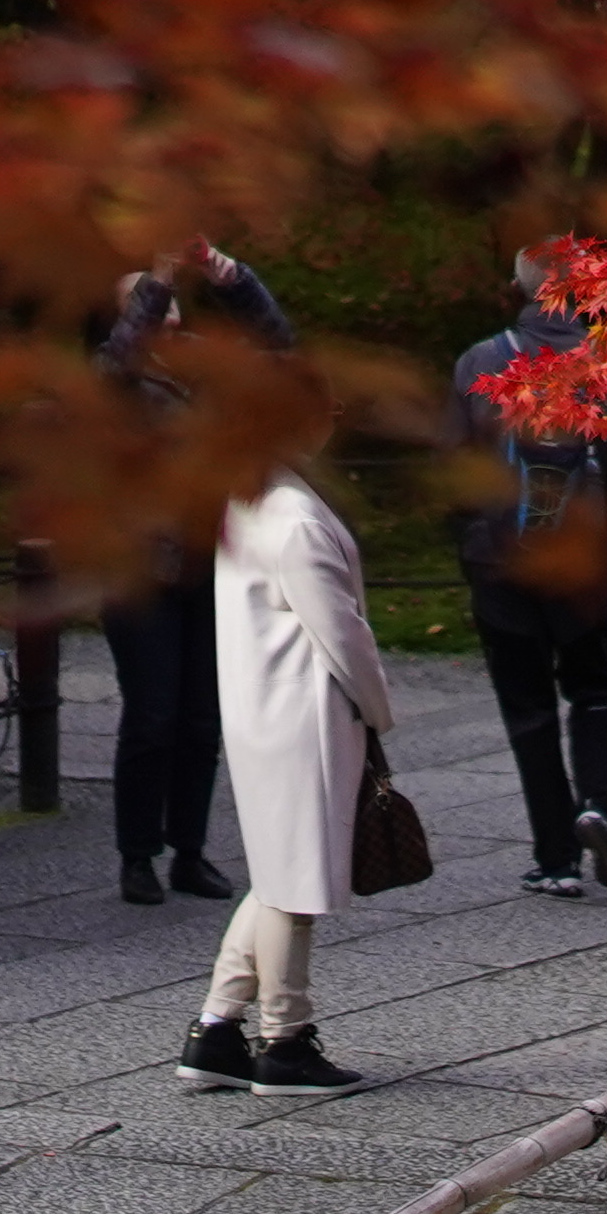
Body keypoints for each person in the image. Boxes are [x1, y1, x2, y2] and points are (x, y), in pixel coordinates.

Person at [185, 439, 392, 1095]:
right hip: (304, 713)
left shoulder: (251, 501)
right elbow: (341, 629)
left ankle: (219, 1028)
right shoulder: (293, 514)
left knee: (279, 873)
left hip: (264, 708)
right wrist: (380, 709)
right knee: (293, 884)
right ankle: (285, 1038)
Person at [446, 262, 607, 899]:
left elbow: (456, 468)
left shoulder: (479, 360)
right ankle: (598, 807)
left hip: (501, 561)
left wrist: (471, 548)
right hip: (585, 564)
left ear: (520, 288)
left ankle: (556, 858)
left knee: (528, 708)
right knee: (595, 690)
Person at [94, 256, 274, 910]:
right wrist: (161, 277)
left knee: (204, 716)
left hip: (215, 559)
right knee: (152, 713)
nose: (164, 309)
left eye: (169, 299)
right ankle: (137, 854)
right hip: (141, 566)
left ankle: (190, 850)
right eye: (146, 300)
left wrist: (233, 279)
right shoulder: (116, 377)